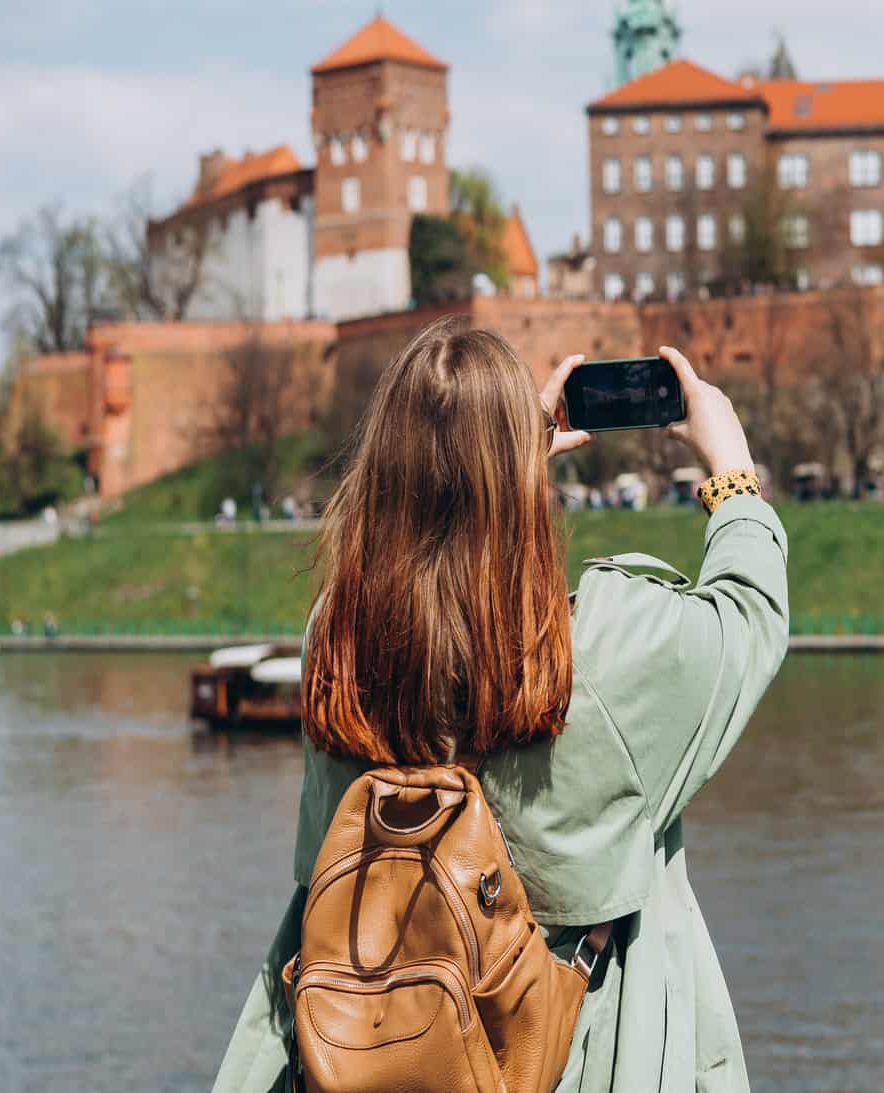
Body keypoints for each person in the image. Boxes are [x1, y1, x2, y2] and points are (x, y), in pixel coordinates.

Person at [211, 321, 789, 1093]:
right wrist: (731, 471)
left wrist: (489, 464)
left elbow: (322, 863)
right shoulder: (610, 650)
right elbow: (750, 613)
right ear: (522, 478)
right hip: (573, 1057)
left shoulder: (340, 649)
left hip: (367, 1056)